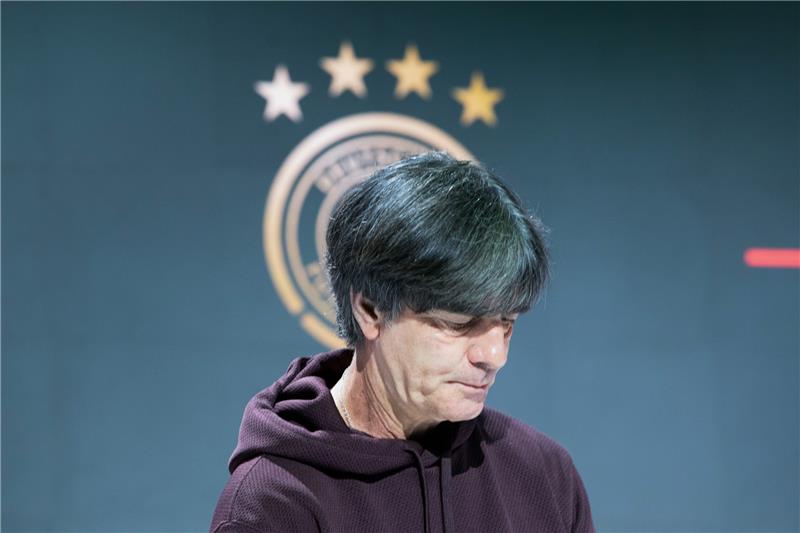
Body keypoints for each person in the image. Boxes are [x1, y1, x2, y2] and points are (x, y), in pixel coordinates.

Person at [210, 152, 595, 532]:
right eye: (457, 323)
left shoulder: (545, 476)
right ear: (371, 310)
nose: (495, 355)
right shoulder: (270, 504)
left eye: (507, 323)